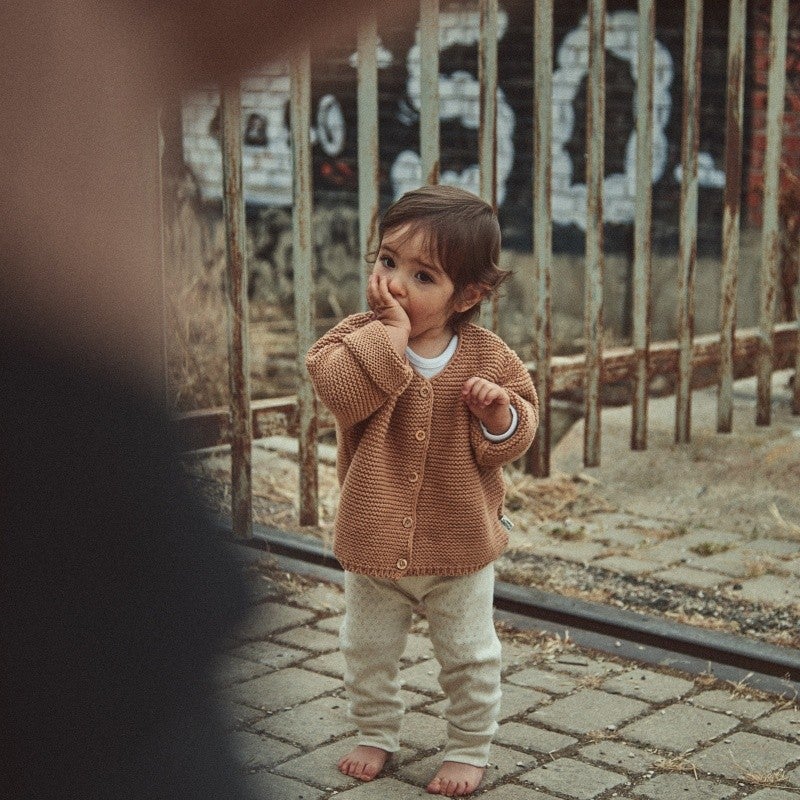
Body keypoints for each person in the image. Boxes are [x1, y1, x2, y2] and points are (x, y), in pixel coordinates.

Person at [306, 185, 539, 797]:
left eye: (422, 276)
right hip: (375, 542)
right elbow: (338, 391)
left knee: (469, 655)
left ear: (469, 295)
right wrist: (389, 335)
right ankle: (375, 731)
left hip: (459, 546)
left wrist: (499, 415)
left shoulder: (489, 357)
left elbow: (518, 434)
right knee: (366, 650)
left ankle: (468, 747)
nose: (395, 284)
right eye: (387, 261)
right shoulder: (355, 339)